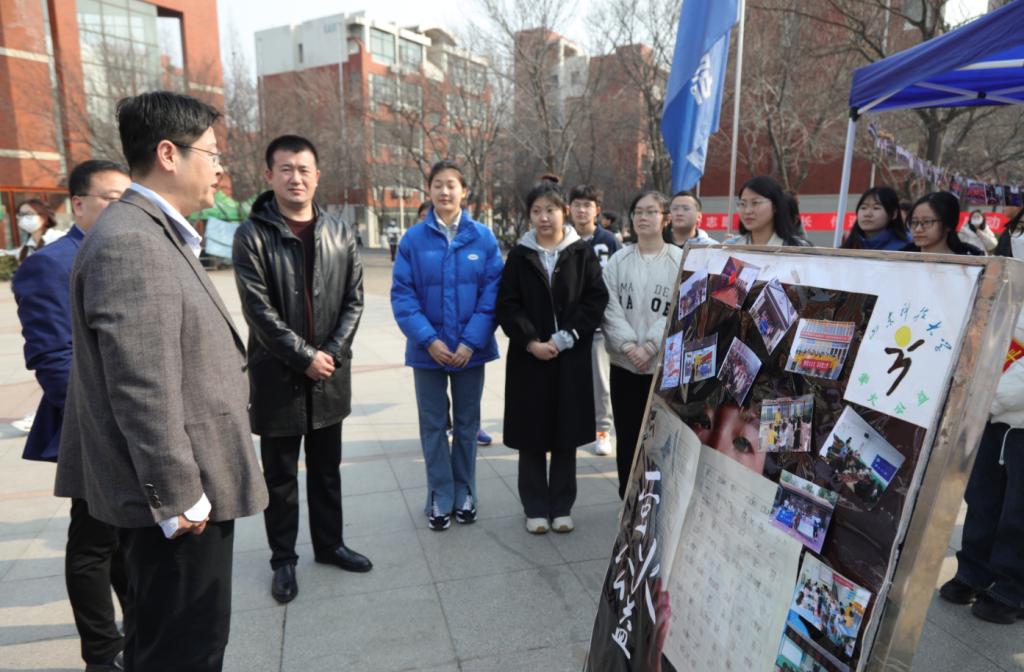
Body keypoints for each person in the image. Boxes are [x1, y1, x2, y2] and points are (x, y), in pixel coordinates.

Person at [55, 91, 268, 672]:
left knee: (173, 641)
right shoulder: (133, 242)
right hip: (179, 502)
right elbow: (141, 386)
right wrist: (177, 495)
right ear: (169, 154)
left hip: (184, 489)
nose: (220, 167)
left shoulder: (150, 231)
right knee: (185, 649)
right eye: (212, 153)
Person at [232, 135, 370, 604]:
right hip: (278, 378)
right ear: (269, 175)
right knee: (281, 478)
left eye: (304, 169)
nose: (296, 177)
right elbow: (258, 310)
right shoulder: (252, 235)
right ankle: (283, 560)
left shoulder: (340, 232)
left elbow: (353, 301)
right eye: (286, 169)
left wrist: (329, 354)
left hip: (329, 375)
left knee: (327, 471)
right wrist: (304, 357)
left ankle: (330, 545)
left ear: (317, 176)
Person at [12, 160, 131, 672]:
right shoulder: (51, 264)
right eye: (112, 199)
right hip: (92, 428)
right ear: (78, 204)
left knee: (124, 535)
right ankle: (102, 653)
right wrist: (103, 428)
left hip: (133, 423)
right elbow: (53, 361)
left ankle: (136, 628)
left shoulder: (125, 254)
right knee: (94, 540)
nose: (124, 209)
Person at [391, 160, 503, 531]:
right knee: (433, 425)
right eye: (437, 184)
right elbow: (403, 296)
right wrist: (429, 340)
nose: (444, 191)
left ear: (464, 191)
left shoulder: (483, 238)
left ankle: (465, 491)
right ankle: (439, 495)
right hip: (427, 353)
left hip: (472, 352)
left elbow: (493, 296)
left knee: (468, 425)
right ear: (429, 190)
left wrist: (471, 342)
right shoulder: (413, 240)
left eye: (451, 184)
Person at [496, 177, 609, 534]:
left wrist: (566, 337)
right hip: (529, 358)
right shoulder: (520, 255)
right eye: (536, 211)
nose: (544, 217)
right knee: (530, 435)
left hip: (569, 356)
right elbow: (507, 304)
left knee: (565, 434)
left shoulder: (581, 252)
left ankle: (561, 507)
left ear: (564, 212)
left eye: (550, 210)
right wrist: (530, 340)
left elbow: (595, 299)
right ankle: (534, 507)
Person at [939, 205, 1024, 624]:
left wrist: (990, 396)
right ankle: (973, 570)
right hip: (993, 404)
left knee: (1018, 509)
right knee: (982, 496)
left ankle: (1012, 588)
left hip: (1011, 408)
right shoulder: (1011, 247)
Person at [602, 191, 683, 497]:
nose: (643, 217)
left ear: (665, 219)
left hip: (663, 368)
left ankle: (658, 501)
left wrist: (650, 346)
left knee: (662, 439)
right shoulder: (618, 260)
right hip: (624, 365)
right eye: (638, 212)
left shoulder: (680, 259)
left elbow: (680, 306)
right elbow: (609, 307)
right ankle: (628, 499)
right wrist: (628, 346)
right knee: (627, 436)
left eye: (651, 212)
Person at [569, 184, 620, 457]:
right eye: (577, 204)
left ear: (597, 210)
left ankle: (603, 431)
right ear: (569, 208)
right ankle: (574, 426)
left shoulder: (608, 241)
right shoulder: (563, 238)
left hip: (599, 325)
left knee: (601, 382)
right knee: (570, 380)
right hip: (567, 325)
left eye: (587, 205)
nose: (581, 210)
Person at [725, 176, 810, 247]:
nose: (747, 211)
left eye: (755, 203)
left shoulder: (798, 249)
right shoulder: (730, 247)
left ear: (775, 206)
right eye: (742, 204)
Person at [903, 192, 984, 256]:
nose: (918, 229)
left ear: (948, 225)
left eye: (927, 222)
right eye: (914, 222)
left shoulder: (971, 265)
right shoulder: (899, 260)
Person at [840, 186, 910, 251]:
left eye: (876, 208)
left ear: (894, 214)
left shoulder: (906, 249)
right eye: (863, 208)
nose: (867, 214)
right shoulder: (847, 248)